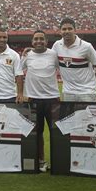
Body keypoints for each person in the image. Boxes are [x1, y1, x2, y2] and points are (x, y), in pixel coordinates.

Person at [21, 30, 60, 172]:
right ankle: (41, 160)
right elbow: (19, 71)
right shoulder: (27, 55)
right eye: (36, 39)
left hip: (52, 99)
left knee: (55, 132)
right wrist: (21, 93)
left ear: (46, 41)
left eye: (41, 39)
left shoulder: (53, 54)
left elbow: (64, 69)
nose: (38, 41)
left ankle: (58, 160)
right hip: (33, 99)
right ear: (32, 42)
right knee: (37, 133)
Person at [52, 17, 96, 102]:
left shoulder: (86, 46)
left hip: (87, 92)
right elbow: (47, 57)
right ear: (60, 31)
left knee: (87, 115)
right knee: (69, 116)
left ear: (75, 30)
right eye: (64, 29)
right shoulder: (56, 45)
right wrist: (33, 50)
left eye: (70, 29)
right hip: (68, 93)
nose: (67, 31)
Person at [0, 27, 24, 103]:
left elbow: (19, 75)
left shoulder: (14, 55)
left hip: (10, 95)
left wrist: (20, 93)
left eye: (4, 37)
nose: (2, 39)